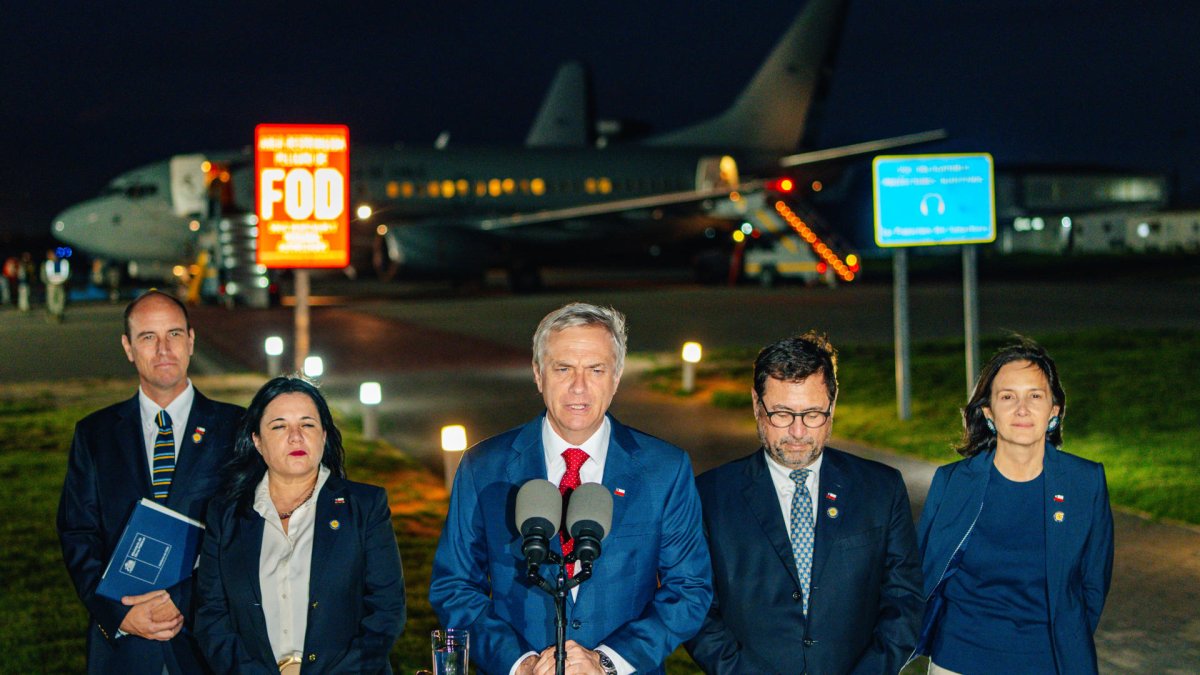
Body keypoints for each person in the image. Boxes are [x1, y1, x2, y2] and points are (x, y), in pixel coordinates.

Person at [429, 302, 713, 675]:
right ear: (538, 374)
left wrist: (607, 662)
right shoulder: (483, 466)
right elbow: (455, 586)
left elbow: (689, 589)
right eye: (563, 369)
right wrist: (521, 664)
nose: (579, 387)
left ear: (616, 376)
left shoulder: (665, 469)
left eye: (596, 370)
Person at [686, 332, 923, 674]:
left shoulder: (881, 489)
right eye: (782, 414)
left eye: (813, 414)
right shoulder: (708, 496)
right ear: (756, 404)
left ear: (833, 404)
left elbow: (904, 601)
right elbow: (696, 608)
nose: (798, 433)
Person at [57, 290, 244, 674]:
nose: (163, 349)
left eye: (173, 334)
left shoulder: (237, 428)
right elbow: (78, 532)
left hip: (209, 645)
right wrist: (118, 614)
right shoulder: (95, 434)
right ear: (128, 347)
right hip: (123, 648)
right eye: (148, 337)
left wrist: (182, 598)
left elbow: (249, 533)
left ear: (191, 340)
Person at [913, 339, 1113, 674]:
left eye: (1035, 396)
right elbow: (923, 572)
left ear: (1054, 410)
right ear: (988, 412)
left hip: (1049, 664)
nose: (1022, 409)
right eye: (1007, 397)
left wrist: (1065, 642)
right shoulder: (952, 482)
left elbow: (1093, 585)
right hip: (959, 661)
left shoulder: (1085, 482)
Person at [195, 376, 407, 673]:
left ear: (324, 435)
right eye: (279, 426)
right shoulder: (226, 515)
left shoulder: (365, 506)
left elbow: (386, 610)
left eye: (307, 425)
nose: (295, 437)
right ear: (257, 441)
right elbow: (212, 616)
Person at [42, 248, 71, 321]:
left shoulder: (63, 263)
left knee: (60, 298)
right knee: (51, 298)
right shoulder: (46, 264)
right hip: (51, 285)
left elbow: (68, 273)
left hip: (61, 284)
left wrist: (64, 281)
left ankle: (59, 313)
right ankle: (53, 312)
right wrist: (48, 282)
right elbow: (43, 275)